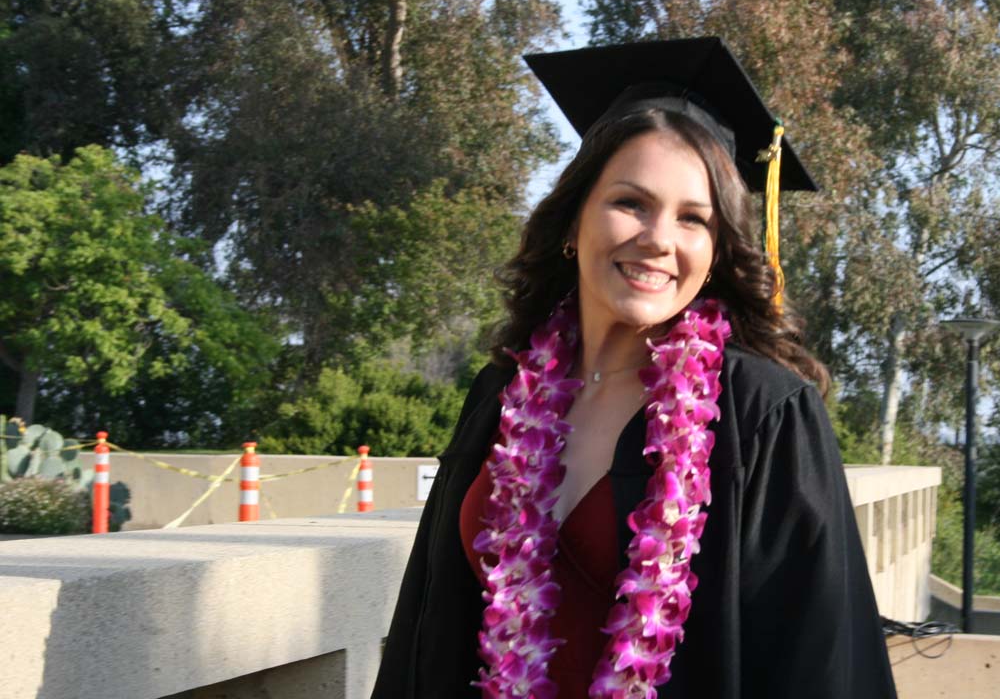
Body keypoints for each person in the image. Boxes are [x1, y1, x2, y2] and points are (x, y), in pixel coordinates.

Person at [371, 37, 897, 699]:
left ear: (717, 251)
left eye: (693, 219)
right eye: (631, 203)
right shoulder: (502, 395)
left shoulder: (762, 414)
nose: (658, 239)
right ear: (574, 221)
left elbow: (817, 663)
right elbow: (427, 625)